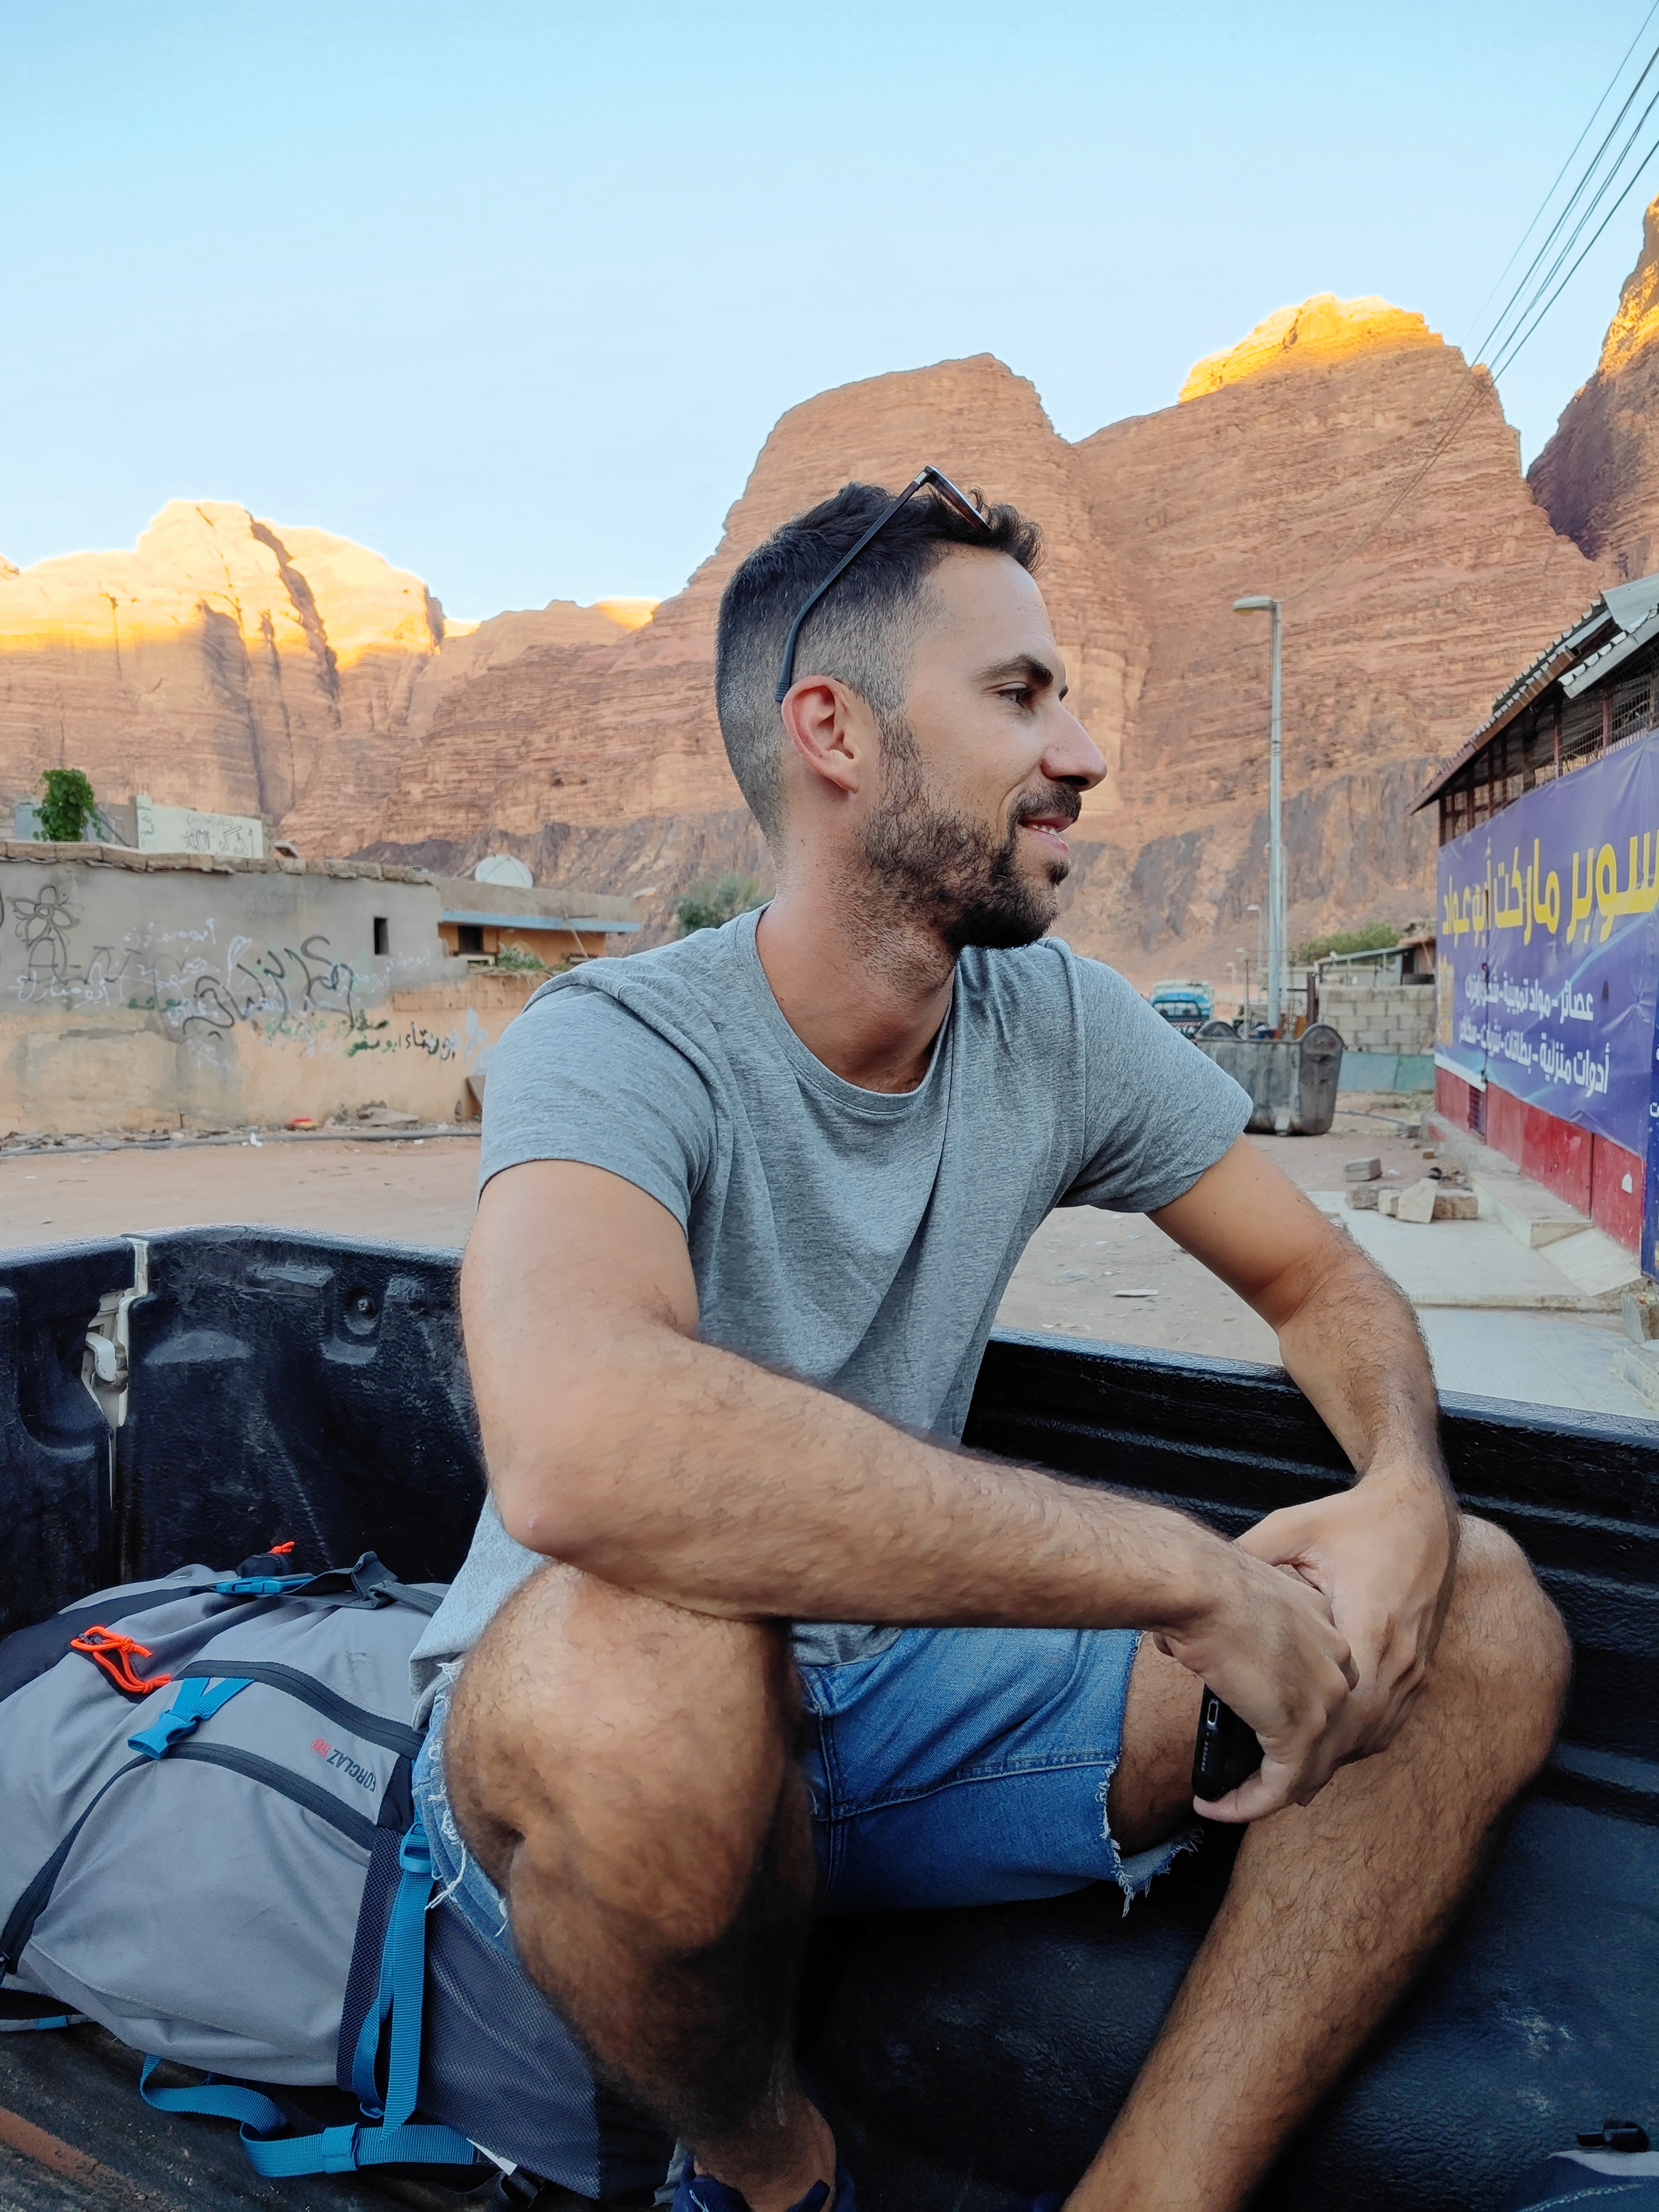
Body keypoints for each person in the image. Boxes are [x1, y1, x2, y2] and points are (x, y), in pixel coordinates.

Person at [409, 474, 1569, 2212]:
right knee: (642, 1676)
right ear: (838, 734)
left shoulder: (1057, 1024)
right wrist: (1183, 1577)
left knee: (1480, 1606)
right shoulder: (618, 1040)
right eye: (1022, 697)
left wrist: (1401, 1482)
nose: (1086, 752)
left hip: (912, 1709)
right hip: (609, 1772)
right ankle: (771, 2170)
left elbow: (1322, 1278)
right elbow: (583, 1445)